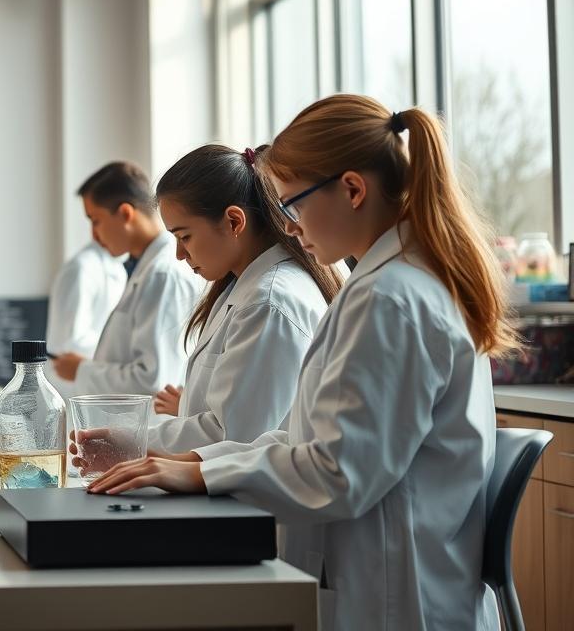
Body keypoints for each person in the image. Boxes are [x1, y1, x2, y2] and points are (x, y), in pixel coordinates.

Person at [88, 95, 515, 631]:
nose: (288, 224)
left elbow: (339, 473)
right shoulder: (387, 284)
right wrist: (194, 466)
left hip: (398, 604)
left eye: (292, 203)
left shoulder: (389, 299)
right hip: (387, 583)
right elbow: (295, 435)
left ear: (352, 190)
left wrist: (203, 474)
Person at [70, 145, 336, 472]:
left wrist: (134, 442)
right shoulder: (242, 288)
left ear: (234, 221)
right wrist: (134, 442)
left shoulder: (269, 302)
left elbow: (233, 438)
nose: (180, 254)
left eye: (185, 236)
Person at [51, 162, 202, 397]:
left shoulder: (163, 275)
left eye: (95, 220)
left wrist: (81, 370)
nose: (94, 234)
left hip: (151, 428)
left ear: (125, 214)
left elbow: (155, 381)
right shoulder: (145, 270)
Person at [45, 241, 126, 365]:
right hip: (68, 373)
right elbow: (72, 339)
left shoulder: (118, 268)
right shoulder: (81, 268)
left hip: (94, 368)